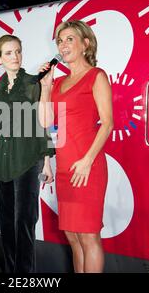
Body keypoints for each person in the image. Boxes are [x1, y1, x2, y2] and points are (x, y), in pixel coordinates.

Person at [38, 20, 113, 273]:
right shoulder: (58, 83)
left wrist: (87, 160)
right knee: (72, 236)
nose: (63, 44)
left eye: (70, 39)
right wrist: (46, 87)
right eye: (60, 40)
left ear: (85, 44)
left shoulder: (96, 75)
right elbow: (46, 121)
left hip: (87, 167)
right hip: (65, 168)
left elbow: (107, 124)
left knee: (89, 236)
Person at [0, 35, 54, 273]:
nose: (14, 56)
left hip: (28, 160)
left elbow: (43, 123)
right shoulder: (0, 86)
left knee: (24, 224)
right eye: (8, 53)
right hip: (4, 164)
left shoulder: (31, 82)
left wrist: (46, 162)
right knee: (7, 224)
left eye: (18, 51)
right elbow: (2, 131)